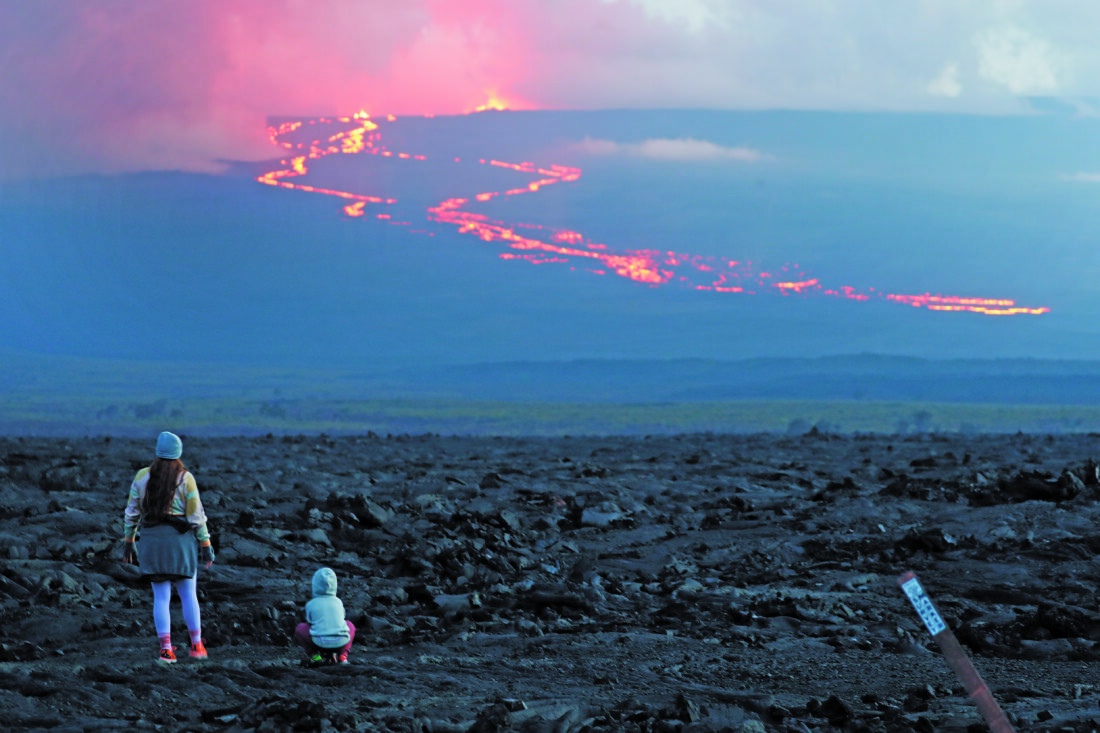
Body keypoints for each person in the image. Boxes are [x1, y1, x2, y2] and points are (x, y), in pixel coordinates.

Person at [122, 431, 215, 663]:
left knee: (160, 598)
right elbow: (196, 516)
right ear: (178, 453)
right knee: (188, 595)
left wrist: (129, 542)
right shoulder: (186, 478)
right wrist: (206, 544)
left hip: (152, 542)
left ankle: (166, 650)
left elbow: (132, 514)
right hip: (180, 543)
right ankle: (196, 646)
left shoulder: (142, 477)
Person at [294, 567, 355, 665]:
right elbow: (342, 618)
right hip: (341, 642)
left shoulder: (311, 604)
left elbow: (309, 621)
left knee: (300, 628)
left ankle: (315, 657)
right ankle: (343, 657)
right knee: (350, 625)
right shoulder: (338, 602)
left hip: (319, 642)